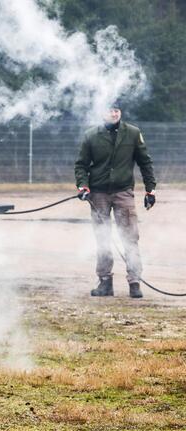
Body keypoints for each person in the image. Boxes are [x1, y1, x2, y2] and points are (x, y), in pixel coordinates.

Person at [75, 103, 156, 299]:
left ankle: (135, 282)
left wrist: (150, 189)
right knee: (102, 238)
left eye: (116, 110)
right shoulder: (91, 135)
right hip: (98, 194)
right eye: (109, 110)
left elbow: (145, 162)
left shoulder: (133, 133)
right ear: (102, 112)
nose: (113, 113)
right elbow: (81, 165)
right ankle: (105, 282)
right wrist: (83, 186)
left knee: (130, 237)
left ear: (120, 112)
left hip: (123, 192)